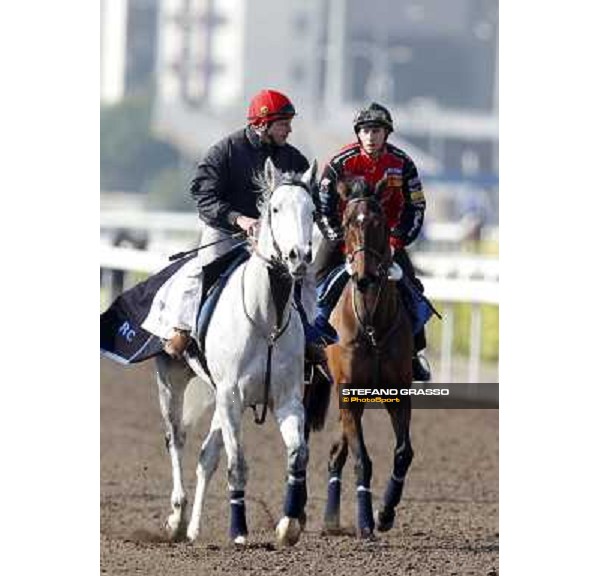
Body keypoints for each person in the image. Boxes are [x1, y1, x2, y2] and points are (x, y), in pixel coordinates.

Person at [161, 89, 326, 365]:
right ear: (263, 124)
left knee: (307, 276)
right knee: (200, 269)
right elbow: (203, 196)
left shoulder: (295, 159)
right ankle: (182, 330)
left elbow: (309, 201)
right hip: (227, 232)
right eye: (284, 123)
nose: (289, 129)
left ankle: (309, 335)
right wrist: (239, 219)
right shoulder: (224, 151)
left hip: (272, 241)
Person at [314, 102, 432, 381]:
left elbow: (417, 207)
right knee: (314, 284)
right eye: (365, 130)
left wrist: (396, 240)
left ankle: (414, 354)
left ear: (386, 133)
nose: (370, 136)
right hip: (344, 237)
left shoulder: (403, 164)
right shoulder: (340, 163)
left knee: (412, 288)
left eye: (376, 130)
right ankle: (311, 350)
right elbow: (322, 207)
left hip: (386, 240)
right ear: (358, 133)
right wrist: (343, 242)